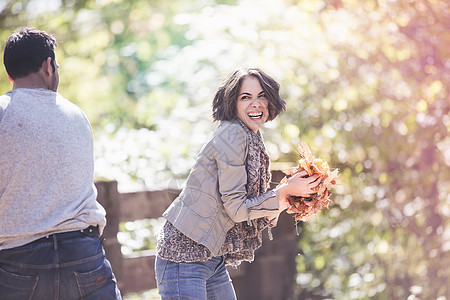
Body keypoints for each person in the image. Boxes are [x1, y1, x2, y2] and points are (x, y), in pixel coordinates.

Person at [155, 67, 320, 299]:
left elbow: (249, 205)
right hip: (184, 258)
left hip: (212, 258)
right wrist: (285, 190)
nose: (256, 104)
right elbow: (238, 209)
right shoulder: (232, 134)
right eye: (246, 97)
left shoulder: (251, 136)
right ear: (232, 103)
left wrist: (286, 199)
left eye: (262, 95)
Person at [0, 27, 121, 299]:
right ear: (48, 66)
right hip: (84, 256)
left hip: (18, 261)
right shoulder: (77, 116)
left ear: (10, 75)